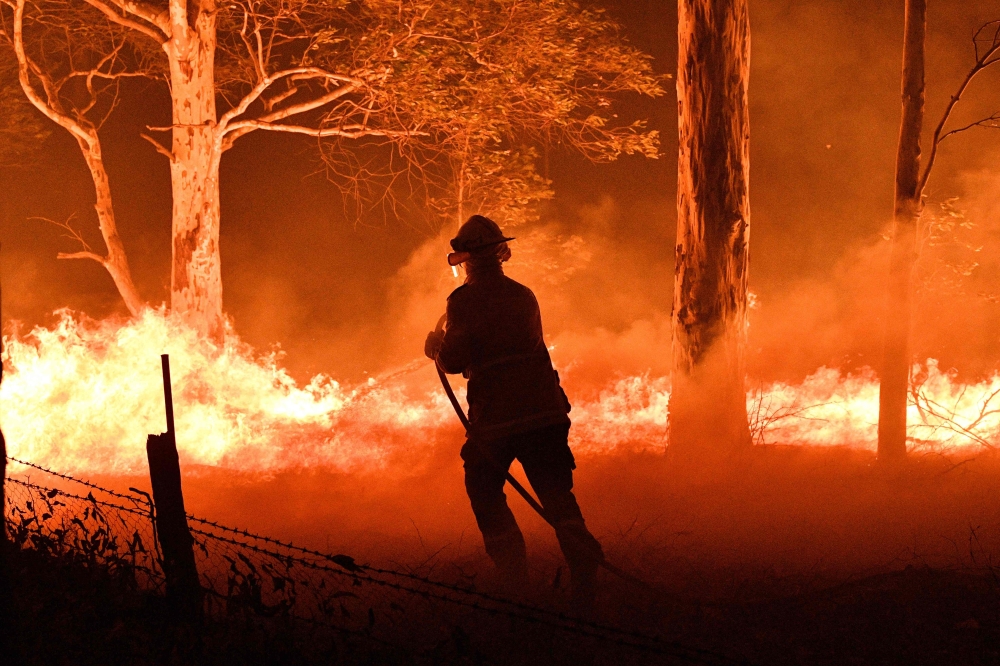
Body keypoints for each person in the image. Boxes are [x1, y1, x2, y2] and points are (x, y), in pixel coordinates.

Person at [424, 214, 603, 606]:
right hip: (544, 413)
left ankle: (514, 579)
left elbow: (453, 361)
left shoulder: (464, 301)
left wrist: (435, 346)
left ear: (466, 258)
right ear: (501, 254)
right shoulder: (523, 294)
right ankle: (584, 571)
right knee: (556, 493)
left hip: (498, 419)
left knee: (483, 487)